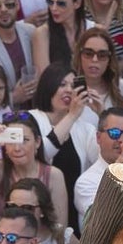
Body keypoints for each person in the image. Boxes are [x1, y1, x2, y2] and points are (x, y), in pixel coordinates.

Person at [0, 115, 69, 230]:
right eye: (11, 140)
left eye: (24, 140)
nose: (17, 148)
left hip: (41, 243)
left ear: (37, 142)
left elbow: (60, 226)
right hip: (6, 242)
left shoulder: (53, 175)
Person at [28, 63, 99, 227]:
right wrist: (73, 115)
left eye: (73, 85)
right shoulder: (30, 119)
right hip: (39, 212)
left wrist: (101, 116)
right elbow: (41, 154)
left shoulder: (84, 126)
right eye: (62, 84)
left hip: (74, 213)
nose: (68, 90)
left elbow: (101, 162)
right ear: (48, 87)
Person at [73, 106, 123, 227]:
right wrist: (116, 176)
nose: (122, 139)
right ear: (98, 137)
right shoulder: (86, 182)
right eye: (115, 133)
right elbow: (99, 221)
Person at [6, 176, 76, 244]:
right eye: (12, 206)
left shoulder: (64, 237)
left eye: (27, 208)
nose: (19, 213)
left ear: (43, 210)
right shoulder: (0, 238)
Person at [71, 27, 123, 128]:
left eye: (102, 55)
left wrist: (102, 115)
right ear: (79, 55)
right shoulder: (67, 88)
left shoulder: (121, 88)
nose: (94, 59)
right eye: (88, 53)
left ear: (109, 59)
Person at [31, 0, 87, 73]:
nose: (54, 8)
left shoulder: (92, 29)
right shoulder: (42, 34)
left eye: (61, 3)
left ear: (77, 3)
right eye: (50, 2)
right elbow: (44, 78)